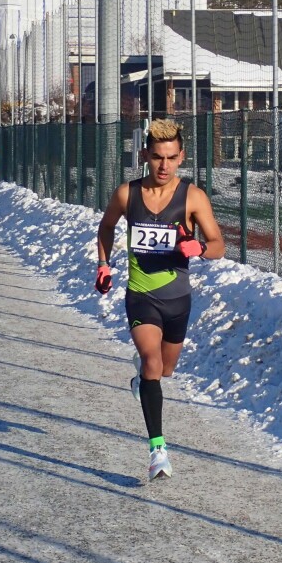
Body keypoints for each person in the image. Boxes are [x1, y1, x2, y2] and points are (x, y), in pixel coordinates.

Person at [95, 119, 225, 480]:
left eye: (171, 158)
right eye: (156, 157)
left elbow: (218, 245)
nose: (164, 166)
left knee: (164, 370)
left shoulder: (193, 196)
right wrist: (104, 264)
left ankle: (143, 382)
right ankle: (157, 450)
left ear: (181, 156)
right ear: (144, 156)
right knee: (151, 361)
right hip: (141, 295)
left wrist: (198, 247)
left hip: (178, 299)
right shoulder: (127, 194)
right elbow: (106, 227)